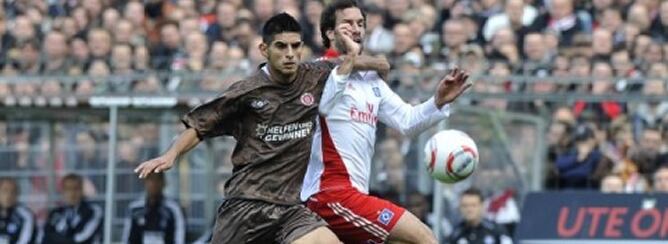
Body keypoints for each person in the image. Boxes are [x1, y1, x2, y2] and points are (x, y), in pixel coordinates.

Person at [134, 13, 386, 244]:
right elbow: (201, 125)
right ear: (264, 49)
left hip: (289, 209)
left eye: (296, 46)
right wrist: (170, 155)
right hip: (245, 207)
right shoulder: (247, 91)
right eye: (281, 46)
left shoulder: (314, 76)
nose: (290, 53)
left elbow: (346, 64)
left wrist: (378, 63)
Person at [301, 1, 471, 243]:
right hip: (330, 194)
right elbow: (325, 106)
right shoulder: (315, 72)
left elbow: (407, 121)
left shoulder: (370, 80)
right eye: (347, 23)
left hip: (353, 195)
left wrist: (438, 102)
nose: (356, 29)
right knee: (424, 238)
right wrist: (350, 60)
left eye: (360, 23)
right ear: (330, 33)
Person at [122, 173, 186, 244]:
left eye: (157, 180)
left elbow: (179, 237)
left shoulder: (173, 209)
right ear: (144, 182)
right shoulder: (135, 209)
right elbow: (127, 238)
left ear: (163, 183)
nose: (154, 184)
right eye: (150, 179)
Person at [42, 174, 103, 244]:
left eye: (75, 189)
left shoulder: (92, 211)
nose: (72, 193)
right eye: (67, 189)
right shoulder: (55, 213)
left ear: (82, 190)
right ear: (62, 192)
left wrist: (60, 239)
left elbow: (83, 238)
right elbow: (47, 235)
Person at [448, 188, 512, 244]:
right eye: (465, 206)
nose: (469, 209)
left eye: (473, 205)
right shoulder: (455, 234)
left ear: (482, 206)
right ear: (460, 208)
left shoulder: (496, 231)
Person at [0, 177, 37, 243]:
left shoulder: (26, 215)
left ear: (17, 194)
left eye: (13, 191)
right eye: (5, 190)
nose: (9, 195)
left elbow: (25, 240)